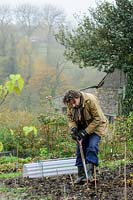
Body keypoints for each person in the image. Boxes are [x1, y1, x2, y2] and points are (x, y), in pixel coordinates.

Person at [63, 90, 108, 184]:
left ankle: (90, 174)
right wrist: (74, 129)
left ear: (78, 97)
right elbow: (70, 118)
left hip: (97, 126)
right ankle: (81, 175)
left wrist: (86, 132)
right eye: (71, 104)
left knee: (92, 146)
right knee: (80, 150)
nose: (73, 105)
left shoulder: (90, 100)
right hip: (82, 127)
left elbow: (98, 119)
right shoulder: (70, 103)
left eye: (74, 102)